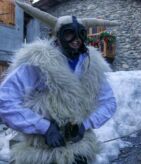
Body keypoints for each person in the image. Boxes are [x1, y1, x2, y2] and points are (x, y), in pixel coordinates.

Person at [0, 1, 117, 164]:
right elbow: (5, 101)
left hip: (79, 149)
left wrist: (85, 125)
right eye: (70, 34)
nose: (77, 40)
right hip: (40, 151)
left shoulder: (92, 67)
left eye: (81, 34)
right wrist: (44, 127)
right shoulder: (37, 63)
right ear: (56, 35)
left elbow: (109, 102)